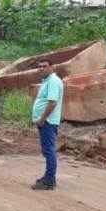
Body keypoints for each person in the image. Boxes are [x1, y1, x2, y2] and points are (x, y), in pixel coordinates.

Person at [31, 60, 64, 191]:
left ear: (52, 67)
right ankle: (48, 177)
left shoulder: (53, 81)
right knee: (47, 150)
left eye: (44, 66)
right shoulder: (48, 81)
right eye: (39, 67)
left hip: (48, 122)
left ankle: (49, 181)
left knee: (49, 151)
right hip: (46, 121)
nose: (41, 69)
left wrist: (42, 119)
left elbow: (52, 103)